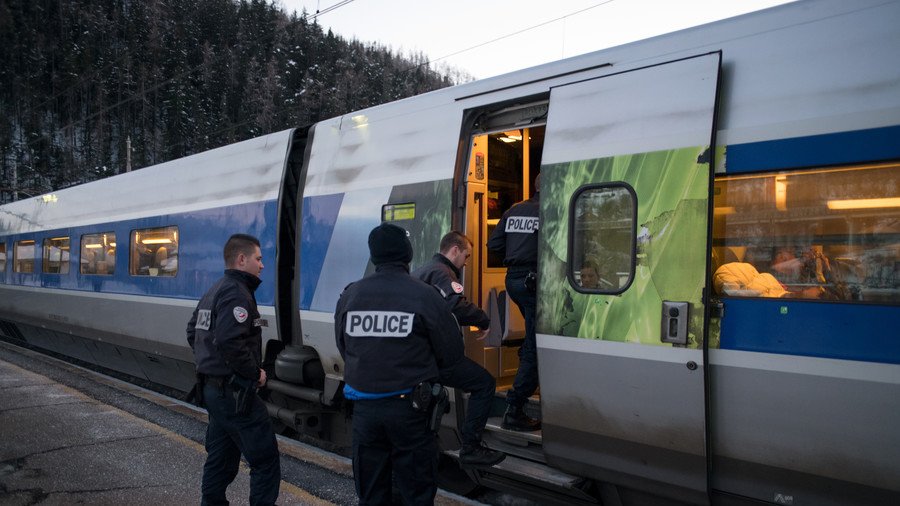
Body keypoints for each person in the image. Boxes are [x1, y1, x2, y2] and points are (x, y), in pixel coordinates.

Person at [335, 223, 466, 505]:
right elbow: (452, 353)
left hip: (365, 413)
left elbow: (345, 347)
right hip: (411, 412)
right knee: (416, 492)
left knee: (371, 493)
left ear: (374, 256)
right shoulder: (425, 295)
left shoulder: (351, 295)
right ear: (407, 254)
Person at [186, 234, 280, 506]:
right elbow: (229, 341)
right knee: (265, 460)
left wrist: (210, 362)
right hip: (235, 394)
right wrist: (254, 373)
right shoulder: (236, 293)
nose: (262, 265)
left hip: (214, 391)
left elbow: (193, 331)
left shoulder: (214, 289)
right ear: (242, 259)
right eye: (258, 259)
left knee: (221, 457)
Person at [412, 231, 505, 468]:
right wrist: (483, 319)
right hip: (436, 357)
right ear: (454, 250)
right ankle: (471, 447)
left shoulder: (423, 271)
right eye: (466, 256)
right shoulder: (443, 273)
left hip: (420, 354)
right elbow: (455, 304)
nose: (466, 262)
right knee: (484, 383)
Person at [486, 174, 541, 432]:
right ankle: (515, 407)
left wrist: (516, 254)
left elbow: (494, 243)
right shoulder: (548, 210)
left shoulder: (514, 210)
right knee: (534, 343)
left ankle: (525, 370)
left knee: (532, 336)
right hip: (534, 280)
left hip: (514, 280)